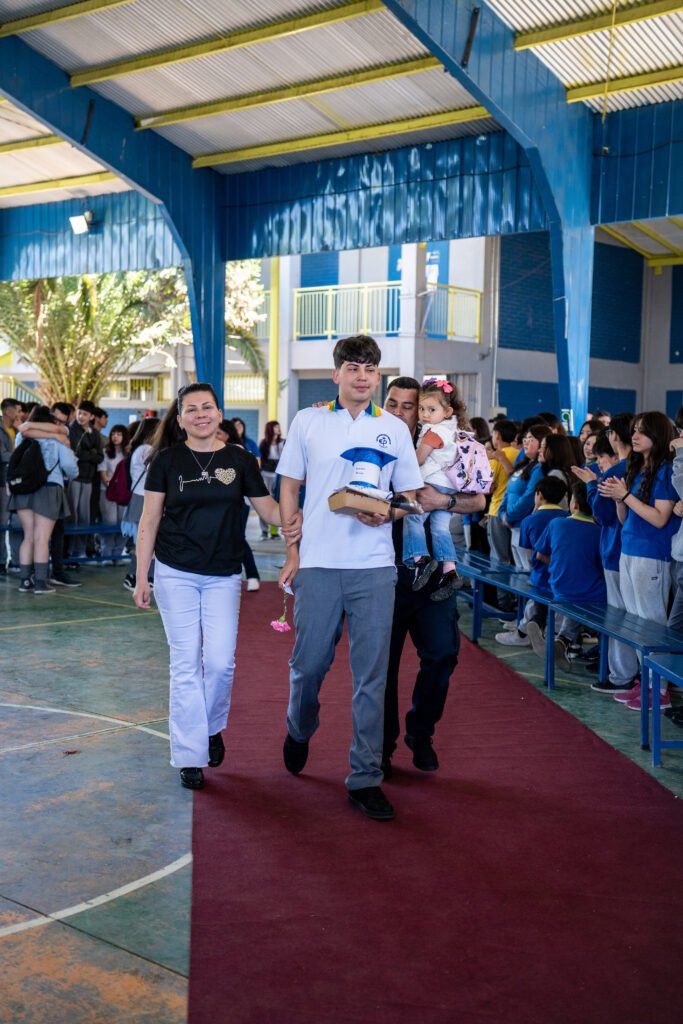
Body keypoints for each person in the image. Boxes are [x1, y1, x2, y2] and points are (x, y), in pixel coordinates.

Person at [277, 335, 422, 822]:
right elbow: (290, 485)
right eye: (353, 368)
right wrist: (292, 550)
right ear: (336, 373)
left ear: (378, 376)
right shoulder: (309, 420)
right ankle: (299, 726)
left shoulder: (394, 429)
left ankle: (364, 777)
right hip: (318, 563)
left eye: (370, 368)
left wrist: (388, 514)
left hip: (374, 567)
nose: (362, 376)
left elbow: (409, 497)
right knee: (309, 664)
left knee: (372, 676)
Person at [132, 383, 299, 790]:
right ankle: (190, 755)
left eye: (207, 407)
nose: (200, 414)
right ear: (180, 418)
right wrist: (142, 575)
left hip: (223, 573)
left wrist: (297, 515)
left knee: (221, 663)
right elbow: (149, 520)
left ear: (219, 413)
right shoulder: (166, 460)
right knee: (185, 663)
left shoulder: (239, 460)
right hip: (175, 572)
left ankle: (209, 727)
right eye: (191, 409)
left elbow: (269, 510)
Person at [381, 377, 485, 775]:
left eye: (409, 406)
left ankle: (420, 733)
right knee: (382, 667)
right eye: (392, 403)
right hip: (385, 573)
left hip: (435, 576)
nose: (400, 412)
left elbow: (478, 499)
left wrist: (443, 499)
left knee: (443, 654)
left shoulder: (457, 442)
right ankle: (382, 746)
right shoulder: (376, 444)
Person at [599, 412, 677, 711]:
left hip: (652, 554)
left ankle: (660, 690)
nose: (635, 436)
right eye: (634, 430)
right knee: (634, 621)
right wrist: (618, 499)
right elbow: (625, 519)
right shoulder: (638, 468)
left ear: (658, 436)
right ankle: (644, 682)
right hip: (629, 549)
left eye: (642, 431)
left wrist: (626, 496)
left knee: (652, 622)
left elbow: (659, 518)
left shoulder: (665, 470)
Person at [574, 427, 638, 694]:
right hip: (621, 551)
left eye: (601, 457)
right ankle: (628, 675)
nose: (598, 462)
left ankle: (622, 676)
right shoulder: (631, 469)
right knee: (628, 617)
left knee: (620, 617)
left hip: (617, 552)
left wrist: (592, 484)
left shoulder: (615, 473)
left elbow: (603, 515)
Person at [402, 378, 471, 601]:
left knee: (413, 518)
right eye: (422, 408)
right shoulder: (455, 430)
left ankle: (420, 559)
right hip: (448, 487)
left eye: (431, 409)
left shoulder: (433, 432)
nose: (425, 414)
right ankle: (449, 569)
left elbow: (419, 459)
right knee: (441, 529)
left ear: (447, 411)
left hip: (432, 482)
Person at [534, 481, 606, 666]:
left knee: (574, 595)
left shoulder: (556, 523)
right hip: (593, 595)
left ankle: (564, 642)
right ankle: (569, 643)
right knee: (596, 592)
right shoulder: (600, 532)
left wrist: (558, 564)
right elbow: (602, 567)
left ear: (574, 504)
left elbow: (540, 555)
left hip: (560, 588)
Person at [8, 406, 78, 594]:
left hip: (23, 489)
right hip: (49, 489)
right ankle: (40, 582)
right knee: (42, 538)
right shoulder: (59, 440)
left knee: (28, 536)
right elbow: (70, 468)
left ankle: (25, 581)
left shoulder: (21, 436)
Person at [518, 476, 569, 658]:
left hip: (539, 575)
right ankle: (553, 634)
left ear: (539, 495)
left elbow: (529, 556)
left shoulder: (529, 521)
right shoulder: (567, 517)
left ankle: (531, 626)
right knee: (560, 608)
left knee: (537, 598)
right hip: (562, 576)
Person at [121, 417, 159, 591]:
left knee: (144, 541)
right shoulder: (146, 450)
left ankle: (142, 577)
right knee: (145, 541)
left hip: (140, 497)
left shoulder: (139, 449)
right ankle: (135, 577)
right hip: (143, 498)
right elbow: (157, 471)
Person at [229, 418, 262, 591]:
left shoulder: (243, 446)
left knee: (239, 537)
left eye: (240, 425)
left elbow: (256, 466)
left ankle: (252, 575)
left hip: (242, 501)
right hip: (227, 503)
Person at [68, 400, 103, 559]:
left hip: (88, 479)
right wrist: (91, 453)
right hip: (74, 477)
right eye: (79, 413)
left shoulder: (94, 432)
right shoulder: (72, 430)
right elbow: (76, 452)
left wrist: (89, 454)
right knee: (72, 515)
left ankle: (80, 551)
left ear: (91, 417)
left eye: (85, 414)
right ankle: (69, 551)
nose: (81, 416)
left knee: (84, 516)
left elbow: (100, 457)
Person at [99, 424, 130, 562]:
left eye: (119, 434)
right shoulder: (105, 452)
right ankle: (106, 555)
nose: (115, 437)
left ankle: (118, 555)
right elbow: (103, 475)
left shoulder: (129, 454)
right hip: (108, 491)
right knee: (109, 522)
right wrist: (114, 484)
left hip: (124, 492)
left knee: (123, 522)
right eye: (113, 434)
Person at [0, 397, 20, 573]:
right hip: (2, 481)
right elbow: (3, 455)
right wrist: (21, 457)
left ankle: (15, 559)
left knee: (14, 522)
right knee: (2, 521)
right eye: (17, 410)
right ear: (8, 411)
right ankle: (1, 560)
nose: (19, 414)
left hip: (15, 481)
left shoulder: (16, 430)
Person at [258, 420, 285, 539]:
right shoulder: (263, 443)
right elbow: (260, 460)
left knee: (277, 503)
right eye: (275, 427)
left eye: (278, 427)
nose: (278, 429)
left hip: (278, 476)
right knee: (263, 502)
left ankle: (274, 532)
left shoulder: (283, 443)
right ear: (270, 429)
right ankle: (264, 531)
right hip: (265, 475)